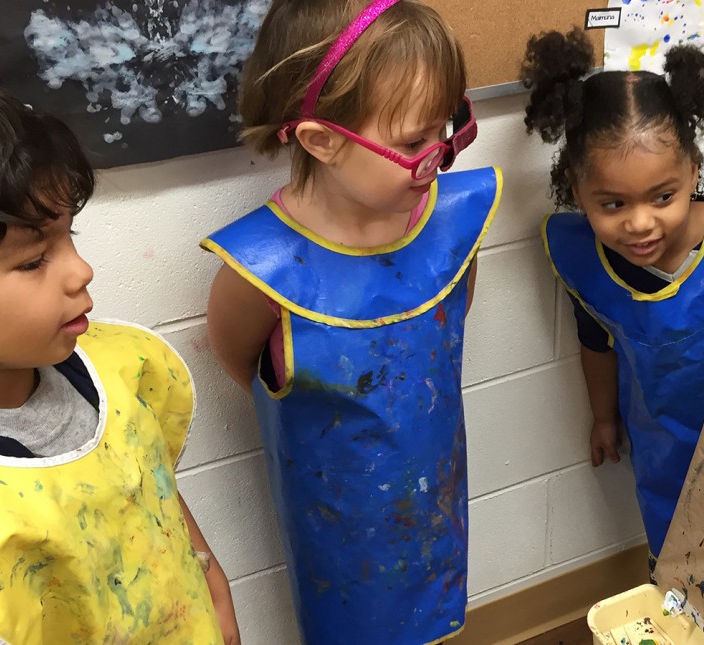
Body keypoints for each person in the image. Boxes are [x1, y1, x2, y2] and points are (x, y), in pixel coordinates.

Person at [201, 0, 499, 642]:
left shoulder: (454, 229)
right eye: (414, 142)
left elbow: (445, 334)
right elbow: (245, 367)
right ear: (322, 140)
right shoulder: (261, 270)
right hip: (335, 533)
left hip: (435, 503)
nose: (440, 154)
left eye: (447, 129)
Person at [0, 77, 238, 645]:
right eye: (34, 260)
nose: (81, 270)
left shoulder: (121, 368)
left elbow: (149, 486)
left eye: (68, 236)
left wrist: (211, 582)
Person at [524, 29, 704, 564]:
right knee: (682, 561)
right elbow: (595, 340)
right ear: (576, 187)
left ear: (692, 171)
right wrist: (603, 418)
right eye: (612, 204)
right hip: (663, 452)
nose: (640, 223)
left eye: (664, 196)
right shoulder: (584, 261)